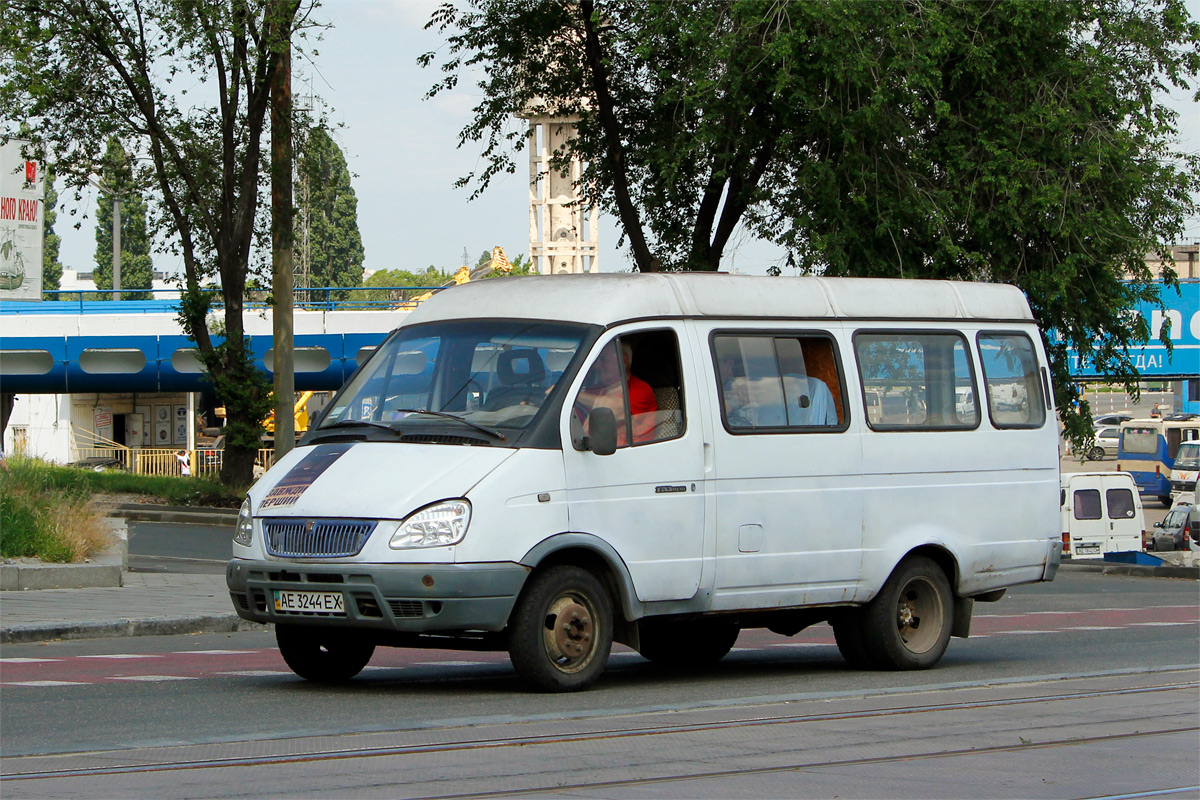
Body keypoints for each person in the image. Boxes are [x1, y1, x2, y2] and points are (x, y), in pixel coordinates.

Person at [575, 341, 658, 446]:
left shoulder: (640, 389)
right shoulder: (597, 389)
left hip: (630, 456)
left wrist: (575, 397)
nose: (597, 366)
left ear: (623, 361)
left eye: (603, 360)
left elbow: (615, 410)